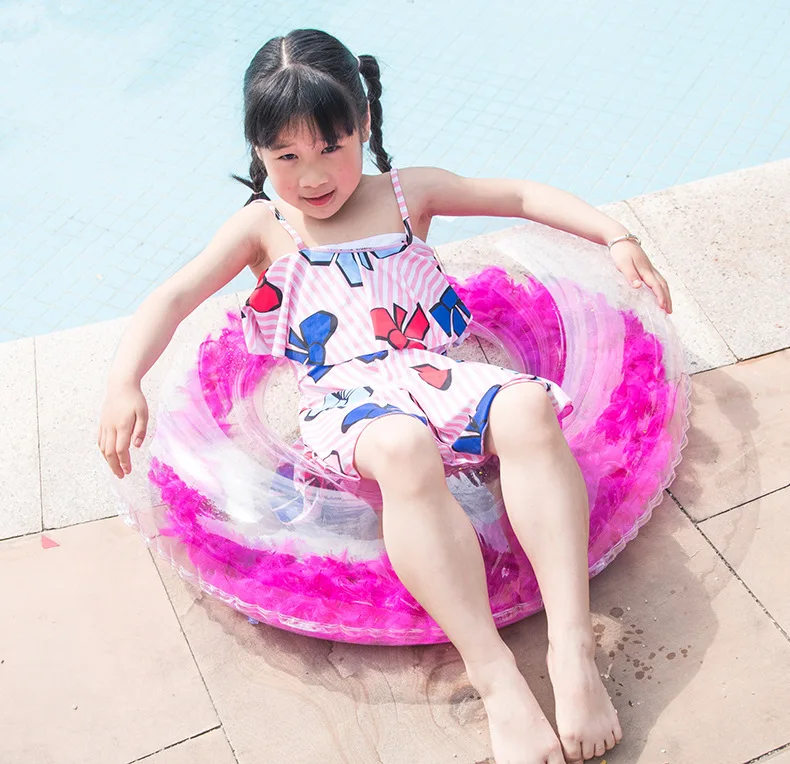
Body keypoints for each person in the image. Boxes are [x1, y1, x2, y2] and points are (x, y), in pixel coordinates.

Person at [98, 28, 672, 764]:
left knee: (529, 408)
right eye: (286, 157)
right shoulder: (264, 226)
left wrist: (615, 234)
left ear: (364, 124)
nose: (312, 176)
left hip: (430, 373)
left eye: (330, 147)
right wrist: (124, 381)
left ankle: (570, 647)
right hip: (345, 403)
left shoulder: (407, 194)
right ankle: (496, 679)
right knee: (401, 448)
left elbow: (519, 195)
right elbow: (173, 296)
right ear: (259, 152)